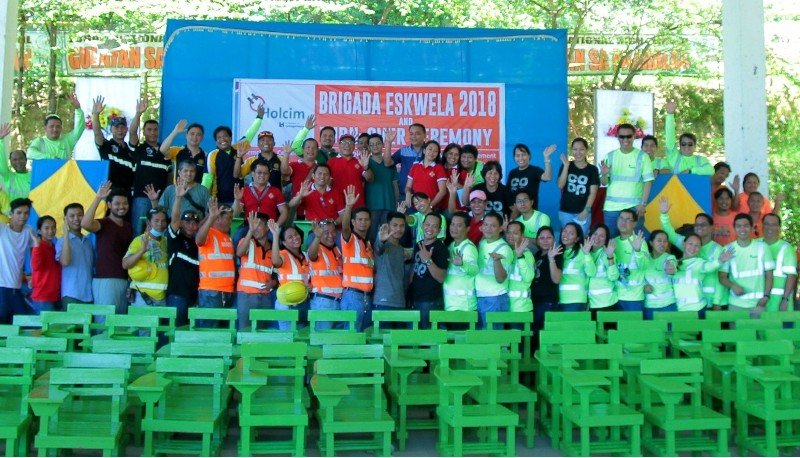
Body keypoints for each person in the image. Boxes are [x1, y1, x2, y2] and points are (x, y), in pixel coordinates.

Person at [659, 197, 727, 310]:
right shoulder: (687, 243)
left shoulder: (718, 249)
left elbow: (720, 277)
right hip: (693, 302)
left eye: (703, 225)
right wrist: (664, 214)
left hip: (712, 302)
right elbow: (669, 233)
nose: (699, 227)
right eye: (697, 225)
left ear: (711, 227)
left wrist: (717, 302)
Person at [81, 183, 133, 314]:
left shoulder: (128, 226)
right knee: (104, 323)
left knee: (120, 325)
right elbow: (85, 224)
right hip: (105, 281)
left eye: (125, 203)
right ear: (109, 205)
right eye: (117, 203)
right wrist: (98, 198)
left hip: (124, 280)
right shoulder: (103, 223)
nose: (121, 206)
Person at [202, 106, 264, 206]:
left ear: (230, 138)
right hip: (218, 200)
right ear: (216, 141)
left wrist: (259, 118)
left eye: (225, 136)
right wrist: (203, 197)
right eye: (219, 137)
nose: (223, 139)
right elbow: (207, 178)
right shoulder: (212, 155)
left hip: (238, 198)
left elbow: (250, 133)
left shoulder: (238, 148)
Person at [600, 123, 654, 236]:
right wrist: (604, 174)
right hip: (611, 208)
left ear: (634, 136)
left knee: (633, 243)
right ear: (617, 137)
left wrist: (643, 204)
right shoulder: (609, 156)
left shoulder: (643, 156)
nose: (625, 139)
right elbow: (604, 182)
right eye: (622, 136)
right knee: (610, 241)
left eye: (629, 136)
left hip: (634, 208)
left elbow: (648, 182)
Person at [719, 213, 775, 317]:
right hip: (736, 304)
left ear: (751, 227)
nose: (742, 229)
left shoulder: (762, 247)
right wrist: (732, 286)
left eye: (745, 225)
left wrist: (766, 296)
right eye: (738, 226)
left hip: (758, 304)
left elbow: (769, 275)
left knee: (759, 333)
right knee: (737, 334)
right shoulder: (728, 249)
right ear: (734, 228)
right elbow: (722, 277)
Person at [129, 100, 171, 236]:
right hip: (141, 197)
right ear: (144, 132)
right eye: (149, 130)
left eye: (155, 130)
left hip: (161, 199)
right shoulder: (139, 148)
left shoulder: (165, 151)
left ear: (159, 132)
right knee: (139, 230)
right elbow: (132, 132)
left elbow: (170, 177)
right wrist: (138, 113)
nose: (152, 132)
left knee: (160, 232)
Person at [165, 182, 201, 327]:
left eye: (194, 223)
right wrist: (179, 198)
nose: (191, 226)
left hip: (194, 297)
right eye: (187, 222)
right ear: (181, 223)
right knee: (174, 332)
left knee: (189, 335)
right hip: (177, 295)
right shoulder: (176, 239)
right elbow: (174, 219)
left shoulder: (199, 243)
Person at [195, 198, 236, 323]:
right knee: (209, 333)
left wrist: (237, 200)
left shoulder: (227, 237)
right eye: (228, 218)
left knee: (223, 334)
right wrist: (211, 218)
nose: (231, 222)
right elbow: (199, 240)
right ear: (218, 218)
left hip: (227, 290)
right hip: (211, 291)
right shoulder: (209, 232)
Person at [340, 186, 374, 331]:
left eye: (366, 220)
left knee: (361, 335)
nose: (363, 222)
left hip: (366, 296)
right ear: (353, 222)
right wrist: (349, 206)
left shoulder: (368, 244)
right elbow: (345, 228)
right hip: (352, 295)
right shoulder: (350, 239)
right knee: (351, 335)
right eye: (359, 219)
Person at [674, 234, 733, 316]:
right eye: (690, 244)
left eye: (697, 246)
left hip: (699, 309)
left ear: (700, 248)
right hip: (678, 309)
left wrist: (720, 261)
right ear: (684, 244)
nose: (693, 248)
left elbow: (708, 267)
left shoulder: (700, 263)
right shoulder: (674, 263)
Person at [268, 220, 310, 331]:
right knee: (287, 339)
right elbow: (276, 261)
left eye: (296, 234)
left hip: (304, 303)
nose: (295, 238)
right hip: (286, 305)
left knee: (301, 337)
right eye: (290, 237)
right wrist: (276, 236)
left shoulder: (306, 256)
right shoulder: (283, 254)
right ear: (284, 243)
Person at [123, 206, 169, 306]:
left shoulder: (166, 241)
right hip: (143, 297)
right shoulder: (139, 240)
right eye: (156, 221)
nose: (160, 224)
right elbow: (125, 264)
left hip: (162, 298)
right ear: (148, 223)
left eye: (163, 221)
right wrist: (142, 251)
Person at [236, 212, 274, 331]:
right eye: (253, 224)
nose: (255, 228)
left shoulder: (274, 248)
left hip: (266, 297)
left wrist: (272, 284)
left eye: (259, 224)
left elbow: (278, 275)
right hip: (246, 296)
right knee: (244, 331)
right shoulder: (247, 241)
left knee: (262, 333)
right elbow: (239, 253)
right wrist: (250, 231)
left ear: (267, 227)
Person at [0, 198, 37, 323]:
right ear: (11, 214)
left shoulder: (29, 230)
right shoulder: (2, 230)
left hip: (17, 287)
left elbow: (36, 253)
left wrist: (32, 275)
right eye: (19, 212)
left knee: (23, 325)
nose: (23, 216)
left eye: (26, 213)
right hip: (2, 287)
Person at [232, 162, 288, 243]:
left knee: (276, 239)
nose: (262, 175)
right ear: (253, 174)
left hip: (269, 227)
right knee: (237, 237)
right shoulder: (244, 191)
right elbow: (235, 214)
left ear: (269, 175)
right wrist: (237, 200)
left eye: (265, 173)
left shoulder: (276, 191)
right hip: (249, 226)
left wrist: (276, 225)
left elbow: (284, 211)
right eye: (259, 172)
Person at [409, 212, 448, 329]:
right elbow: (413, 270)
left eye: (434, 226)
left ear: (439, 229)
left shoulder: (441, 248)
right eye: (427, 224)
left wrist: (428, 260)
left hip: (430, 300)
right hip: (414, 299)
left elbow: (441, 278)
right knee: (413, 340)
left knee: (430, 340)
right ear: (422, 225)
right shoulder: (418, 245)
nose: (429, 228)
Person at [475, 212, 513, 328]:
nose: (488, 228)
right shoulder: (481, 243)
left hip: (495, 298)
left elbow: (501, 278)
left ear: (501, 228)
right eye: (485, 225)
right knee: (481, 339)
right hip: (480, 296)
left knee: (493, 340)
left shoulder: (504, 248)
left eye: (493, 226)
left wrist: (497, 261)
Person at [91, 96, 135, 193]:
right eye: (116, 127)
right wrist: (95, 114)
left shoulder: (130, 150)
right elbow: (97, 132)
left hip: (127, 192)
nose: (120, 130)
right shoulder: (106, 145)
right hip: (109, 192)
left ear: (126, 129)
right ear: (111, 129)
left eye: (122, 127)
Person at [557, 137, 599, 235]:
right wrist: (566, 166)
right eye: (575, 149)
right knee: (566, 239)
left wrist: (586, 210)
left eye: (581, 149)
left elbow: (593, 193)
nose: (578, 152)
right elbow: (560, 185)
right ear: (572, 150)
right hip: (566, 211)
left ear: (586, 150)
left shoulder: (592, 170)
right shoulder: (566, 165)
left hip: (583, 211)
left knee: (580, 240)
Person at [307, 219, 343, 329]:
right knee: (322, 339)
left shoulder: (336, 250)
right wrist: (317, 237)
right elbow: (311, 255)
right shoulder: (316, 248)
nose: (331, 235)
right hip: (323, 302)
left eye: (333, 232)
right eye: (326, 232)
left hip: (338, 301)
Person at [56, 203, 94, 308]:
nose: (76, 218)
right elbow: (65, 261)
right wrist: (66, 234)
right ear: (66, 219)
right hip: (71, 294)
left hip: (89, 294)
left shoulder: (88, 241)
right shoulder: (61, 242)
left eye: (80, 215)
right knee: (72, 325)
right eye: (72, 216)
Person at [27, 93, 85, 160]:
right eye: (51, 126)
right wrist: (51, 158)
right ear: (45, 128)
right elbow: (30, 154)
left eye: (58, 126)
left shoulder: (67, 140)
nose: (55, 129)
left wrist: (78, 109)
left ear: (61, 128)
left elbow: (80, 128)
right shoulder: (40, 141)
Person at [365, 133, 400, 242]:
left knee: (387, 237)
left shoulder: (389, 163)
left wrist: (397, 204)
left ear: (382, 145)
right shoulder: (366, 162)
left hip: (389, 205)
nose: (375, 146)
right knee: (371, 236)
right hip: (372, 206)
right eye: (372, 144)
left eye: (378, 143)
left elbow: (395, 186)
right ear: (369, 147)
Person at [613, 208, 648, 313]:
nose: (623, 222)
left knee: (633, 329)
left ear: (634, 223)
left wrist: (637, 251)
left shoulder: (639, 241)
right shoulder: (613, 242)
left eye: (628, 219)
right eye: (621, 218)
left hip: (634, 298)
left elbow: (645, 266)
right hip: (615, 296)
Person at [531, 226, 562, 343]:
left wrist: (551, 259)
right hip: (534, 300)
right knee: (534, 333)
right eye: (541, 238)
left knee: (543, 336)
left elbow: (556, 279)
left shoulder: (557, 254)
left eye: (548, 237)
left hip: (547, 301)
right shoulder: (537, 254)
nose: (545, 240)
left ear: (554, 239)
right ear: (537, 240)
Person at [373, 212, 409, 313]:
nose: (398, 229)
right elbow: (378, 248)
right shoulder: (383, 244)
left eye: (402, 226)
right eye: (395, 225)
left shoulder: (401, 249)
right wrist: (381, 240)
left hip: (400, 302)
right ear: (388, 226)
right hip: (383, 302)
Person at [443, 211, 479, 312]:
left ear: (467, 229)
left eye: (459, 225)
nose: (454, 228)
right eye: (452, 224)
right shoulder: (451, 246)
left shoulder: (469, 248)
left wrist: (463, 264)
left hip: (464, 307)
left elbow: (475, 270)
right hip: (450, 305)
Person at [762, 213, 797, 312]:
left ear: (779, 227)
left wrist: (785, 300)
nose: (770, 227)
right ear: (762, 225)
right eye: (767, 224)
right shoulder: (756, 244)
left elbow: (791, 276)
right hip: (759, 299)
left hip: (779, 300)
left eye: (773, 224)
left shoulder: (786, 248)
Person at [327, 134, 372, 210]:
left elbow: (370, 179)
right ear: (339, 145)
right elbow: (327, 184)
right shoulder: (331, 162)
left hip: (357, 204)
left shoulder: (360, 161)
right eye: (344, 142)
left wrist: (366, 167)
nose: (347, 145)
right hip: (338, 205)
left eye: (351, 143)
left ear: (354, 146)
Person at [558, 222, 596, 312]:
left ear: (577, 239)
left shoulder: (581, 252)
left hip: (576, 299)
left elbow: (591, 272)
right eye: (565, 231)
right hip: (560, 298)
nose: (566, 234)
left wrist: (587, 254)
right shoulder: (557, 252)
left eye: (571, 233)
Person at [508, 143, 554, 214]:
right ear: (514, 157)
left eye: (523, 155)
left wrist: (546, 158)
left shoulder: (534, 170)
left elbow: (547, 177)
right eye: (517, 155)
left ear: (529, 156)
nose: (520, 158)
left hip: (530, 213)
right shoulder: (512, 173)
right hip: (514, 213)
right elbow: (508, 193)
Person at [643, 230, 678, 319]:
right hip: (650, 305)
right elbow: (640, 278)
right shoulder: (645, 259)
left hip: (668, 304)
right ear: (651, 243)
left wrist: (671, 268)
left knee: (670, 332)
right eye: (659, 240)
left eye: (665, 241)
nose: (662, 244)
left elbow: (672, 265)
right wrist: (644, 286)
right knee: (652, 332)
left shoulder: (669, 257)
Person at [30, 215, 61, 314]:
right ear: (39, 231)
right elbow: (36, 266)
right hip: (43, 297)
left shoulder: (54, 247)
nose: (51, 231)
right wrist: (36, 246)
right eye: (46, 228)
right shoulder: (38, 246)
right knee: (45, 329)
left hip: (56, 296)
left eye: (53, 228)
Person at [405, 140, 447, 210]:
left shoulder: (439, 168)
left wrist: (430, 207)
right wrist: (408, 193)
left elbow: (442, 191)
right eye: (430, 149)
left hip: (432, 209)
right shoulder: (415, 166)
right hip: (416, 207)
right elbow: (408, 186)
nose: (432, 152)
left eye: (435, 151)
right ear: (424, 151)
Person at [283, 138, 319, 220]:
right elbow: (284, 171)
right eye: (308, 147)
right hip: (297, 210)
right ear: (302, 150)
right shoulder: (295, 165)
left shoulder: (321, 168)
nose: (311, 150)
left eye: (314, 148)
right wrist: (286, 154)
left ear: (317, 150)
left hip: (316, 212)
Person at [587, 225, 619, 316]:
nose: (597, 238)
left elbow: (613, 277)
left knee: (610, 330)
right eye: (595, 234)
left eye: (601, 236)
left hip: (608, 303)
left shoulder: (608, 254)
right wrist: (586, 254)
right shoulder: (586, 253)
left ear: (606, 239)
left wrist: (610, 257)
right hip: (592, 304)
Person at [386, 123, 426, 194]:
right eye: (411, 134)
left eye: (417, 133)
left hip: (424, 196)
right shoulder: (403, 151)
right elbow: (387, 163)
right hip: (404, 194)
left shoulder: (430, 152)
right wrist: (388, 143)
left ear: (424, 135)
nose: (413, 136)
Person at [505, 221, 535, 316]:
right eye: (509, 232)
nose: (511, 236)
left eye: (515, 233)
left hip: (521, 308)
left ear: (522, 235)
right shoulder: (506, 252)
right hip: (505, 307)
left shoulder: (527, 254)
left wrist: (520, 256)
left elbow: (528, 277)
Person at [0, 123, 31, 200]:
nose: (18, 162)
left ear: (26, 160)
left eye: (20, 158)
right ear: (10, 162)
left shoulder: (34, 176)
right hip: (13, 212)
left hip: (31, 211)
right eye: (14, 160)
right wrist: (0, 140)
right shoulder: (8, 177)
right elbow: (1, 160)